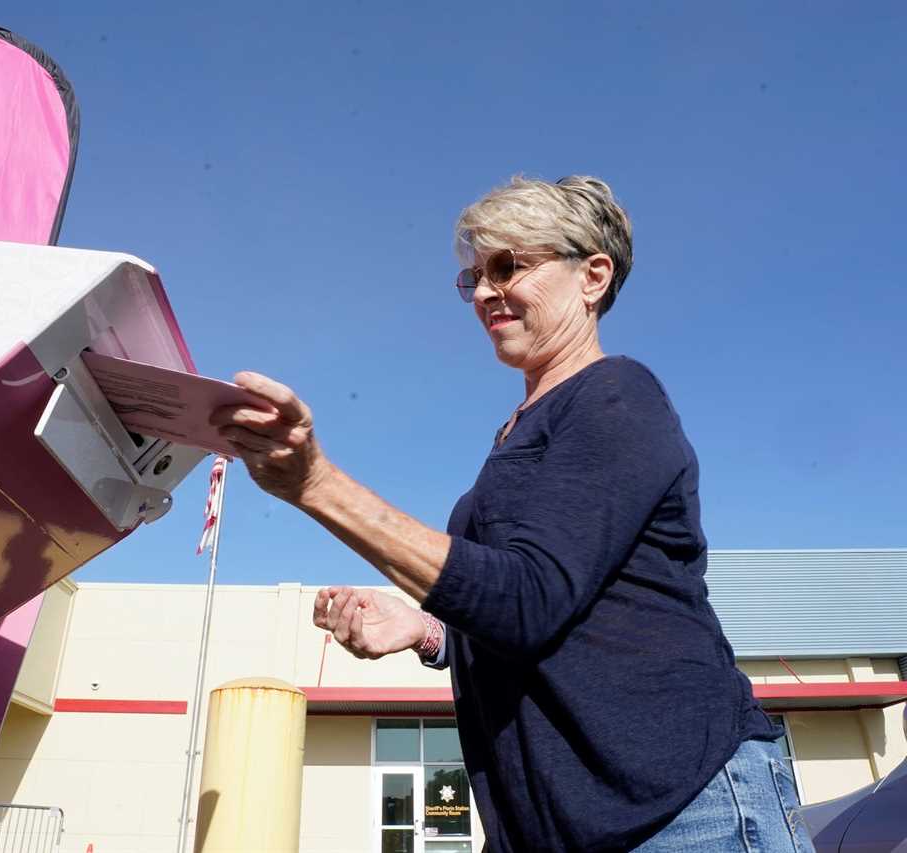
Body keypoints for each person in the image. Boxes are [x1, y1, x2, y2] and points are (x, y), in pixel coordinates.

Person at [210, 176, 816, 852]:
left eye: (510, 266)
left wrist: (317, 484)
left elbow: (530, 597)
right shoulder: (515, 436)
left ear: (592, 276)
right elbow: (540, 610)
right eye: (474, 275)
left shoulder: (615, 396)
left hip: (680, 813)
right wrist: (427, 630)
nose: (486, 290)